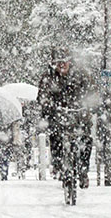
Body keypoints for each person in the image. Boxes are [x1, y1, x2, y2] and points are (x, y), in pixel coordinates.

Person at [37, 47, 96, 188]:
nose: (62, 65)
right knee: (55, 137)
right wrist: (48, 105)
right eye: (58, 62)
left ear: (70, 62)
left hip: (79, 115)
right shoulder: (49, 77)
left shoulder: (81, 75)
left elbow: (92, 92)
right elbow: (42, 96)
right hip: (58, 115)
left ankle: (83, 171)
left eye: (64, 62)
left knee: (86, 141)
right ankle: (58, 164)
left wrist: (91, 104)